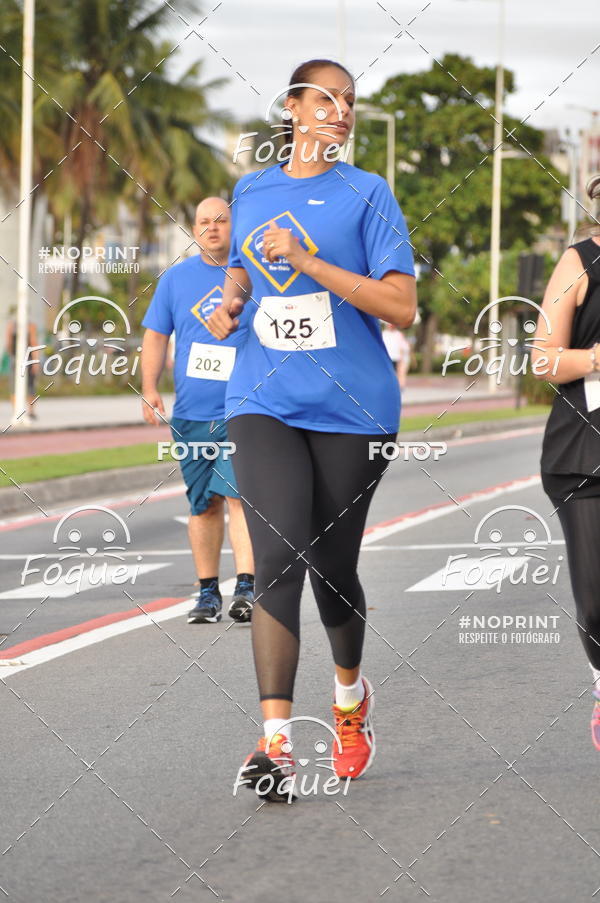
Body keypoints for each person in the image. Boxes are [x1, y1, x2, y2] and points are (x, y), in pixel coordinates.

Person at [207, 59, 416, 799]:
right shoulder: (253, 188)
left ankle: (351, 702)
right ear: (292, 107)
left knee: (332, 568)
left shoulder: (369, 194)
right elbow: (239, 271)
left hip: (354, 410)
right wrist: (227, 304)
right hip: (262, 397)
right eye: (325, 99)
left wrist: (309, 261)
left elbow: (399, 306)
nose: (341, 111)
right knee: (278, 556)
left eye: (350, 102)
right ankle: (274, 745)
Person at [141, 197, 255, 624]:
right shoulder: (175, 279)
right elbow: (155, 336)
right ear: (193, 229)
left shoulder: (254, 278)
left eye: (221, 221)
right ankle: (208, 593)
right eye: (204, 222)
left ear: (234, 226)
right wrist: (150, 388)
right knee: (204, 504)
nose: (212, 228)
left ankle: (246, 586)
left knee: (238, 495)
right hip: (191, 412)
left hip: (245, 408)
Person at [533, 174, 600, 749]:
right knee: (598, 600)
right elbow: (542, 359)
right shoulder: (580, 262)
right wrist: (595, 358)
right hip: (585, 453)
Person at [5, 309, 40, 419]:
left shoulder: (30, 326)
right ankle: (17, 411)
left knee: (30, 386)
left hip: (28, 358)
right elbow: (8, 345)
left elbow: (34, 344)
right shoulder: (11, 326)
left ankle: (31, 411)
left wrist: (35, 361)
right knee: (14, 385)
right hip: (16, 359)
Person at [382, 323, 411, 388]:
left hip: (397, 358)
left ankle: (399, 387)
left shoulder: (398, 334)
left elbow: (403, 347)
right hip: (387, 358)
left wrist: (401, 358)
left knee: (398, 374)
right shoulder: (384, 334)